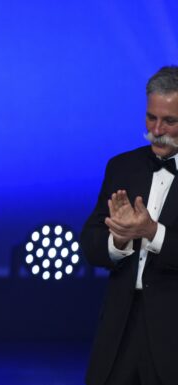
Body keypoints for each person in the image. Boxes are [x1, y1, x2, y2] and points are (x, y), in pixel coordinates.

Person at [81, 65, 178, 385]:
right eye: (151, 117)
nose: (157, 128)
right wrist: (118, 240)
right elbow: (91, 244)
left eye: (170, 121)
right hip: (120, 329)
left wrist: (152, 233)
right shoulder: (122, 166)